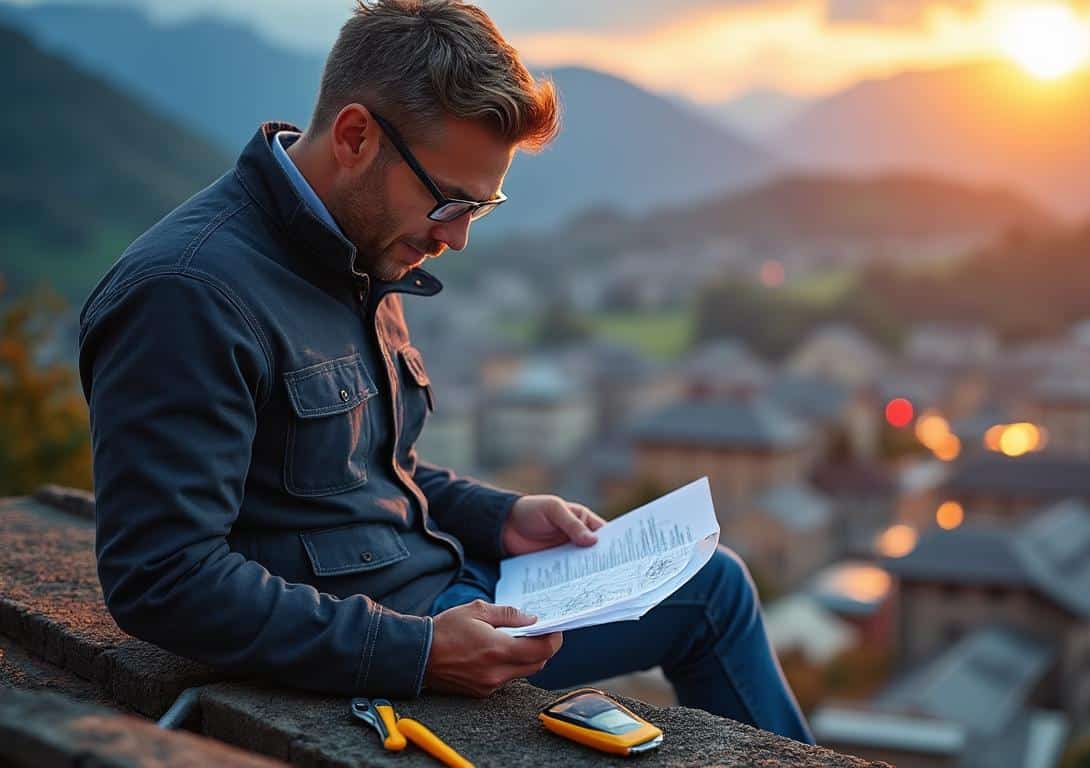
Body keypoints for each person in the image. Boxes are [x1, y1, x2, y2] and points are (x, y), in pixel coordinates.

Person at [77, 0, 812, 744]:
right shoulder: (187, 294)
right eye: (450, 202)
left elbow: (360, 466)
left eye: (479, 207)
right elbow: (163, 578)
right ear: (356, 137)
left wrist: (502, 516)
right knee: (713, 599)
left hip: (442, 590)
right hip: (389, 632)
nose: (456, 238)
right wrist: (420, 653)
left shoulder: (359, 243)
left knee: (713, 580)